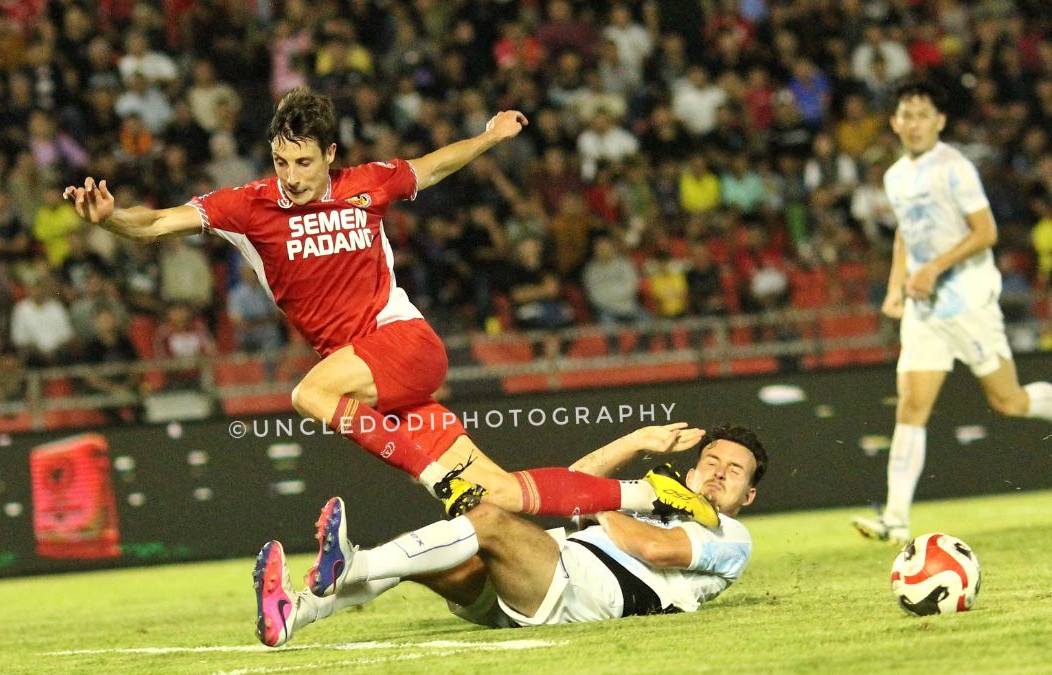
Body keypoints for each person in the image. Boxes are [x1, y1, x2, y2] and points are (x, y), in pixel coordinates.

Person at [64, 87, 699, 522]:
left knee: (308, 396)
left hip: (405, 344)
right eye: (281, 160)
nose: (290, 174)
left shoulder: (365, 185)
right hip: (376, 375)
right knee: (499, 493)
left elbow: (432, 166)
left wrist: (489, 138)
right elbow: (153, 225)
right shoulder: (245, 207)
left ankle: (435, 482)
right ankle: (649, 495)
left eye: (304, 161)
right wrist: (110, 219)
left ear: (331, 157)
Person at [252, 424, 768, 646]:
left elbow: (653, 548)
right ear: (693, 467)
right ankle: (296, 612)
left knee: (488, 519)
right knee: (430, 557)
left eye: (734, 471)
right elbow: (572, 482)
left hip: (595, 594)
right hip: (547, 577)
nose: (718, 474)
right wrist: (633, 444)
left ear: (747, 495)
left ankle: (354, 564)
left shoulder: (730, 532)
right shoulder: (657, 497)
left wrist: (607, 504)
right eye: (711, 461)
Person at [852, 81, 1052, 543]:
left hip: (969, 301)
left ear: (939, 121)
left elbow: (986, 232)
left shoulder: (955, 167)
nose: (914, 123)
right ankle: (895, 519)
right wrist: (897, 285)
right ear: (895, 122)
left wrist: (935, 268)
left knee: (1009, 402)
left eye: (924, 114)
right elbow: (905, 232)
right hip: (925, 307)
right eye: (907, 114)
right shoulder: (895, 176)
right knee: (912, 406)